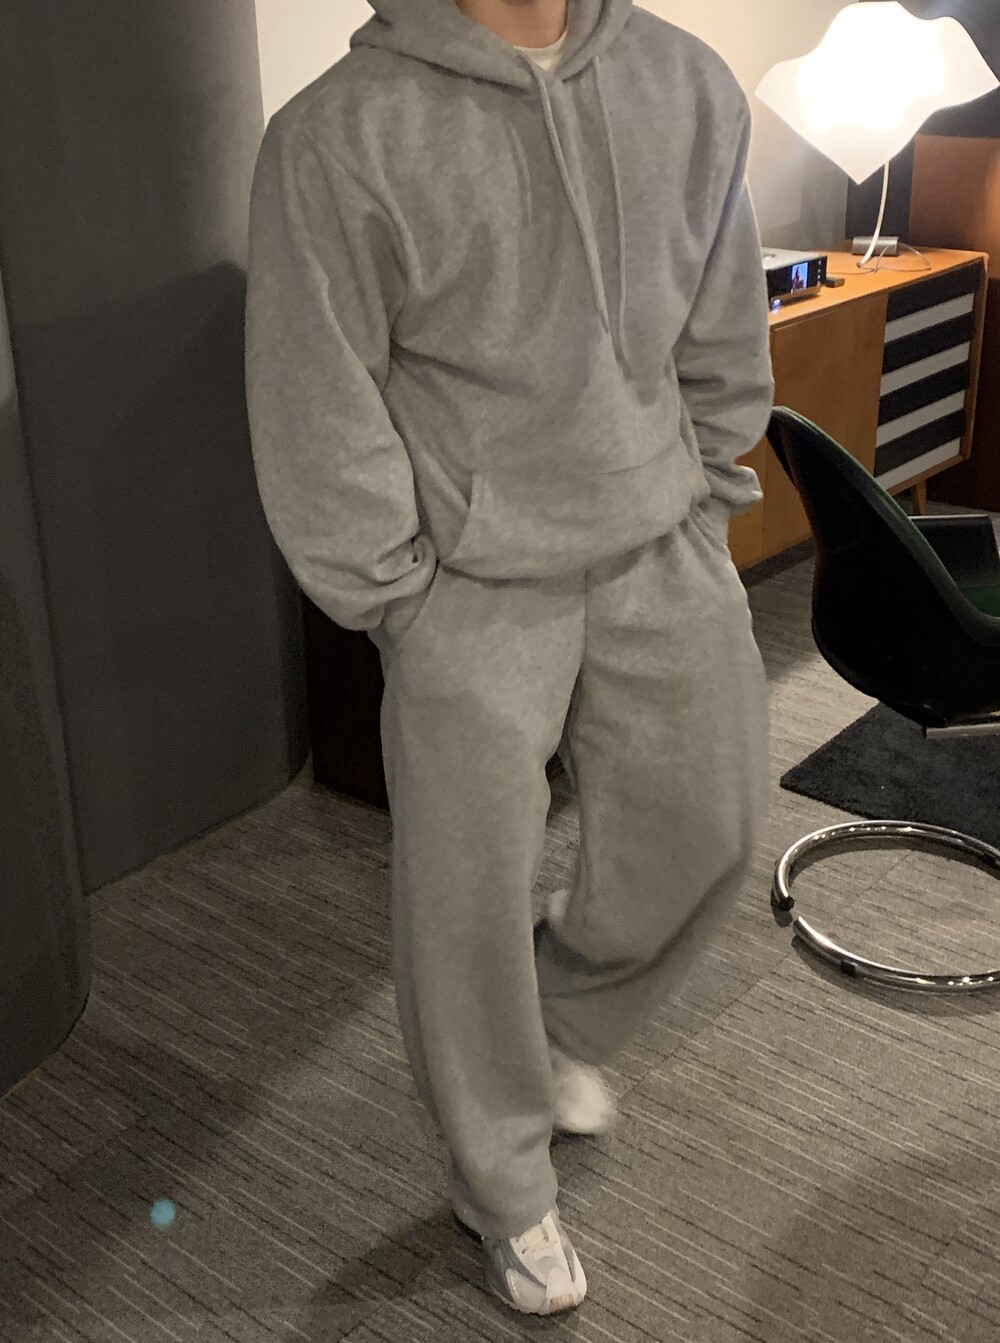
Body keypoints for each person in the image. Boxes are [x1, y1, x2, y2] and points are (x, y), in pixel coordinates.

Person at [244, 0, 774, 1317]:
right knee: (465, 903)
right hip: (469, 584)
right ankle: (502, 1185)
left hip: (660, 537)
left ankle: (558, 1027)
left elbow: (720, 320)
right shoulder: (337, 135)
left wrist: (712, 491)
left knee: (707, 828)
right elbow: (317, 387)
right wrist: (396, 596)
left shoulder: (686, 81)